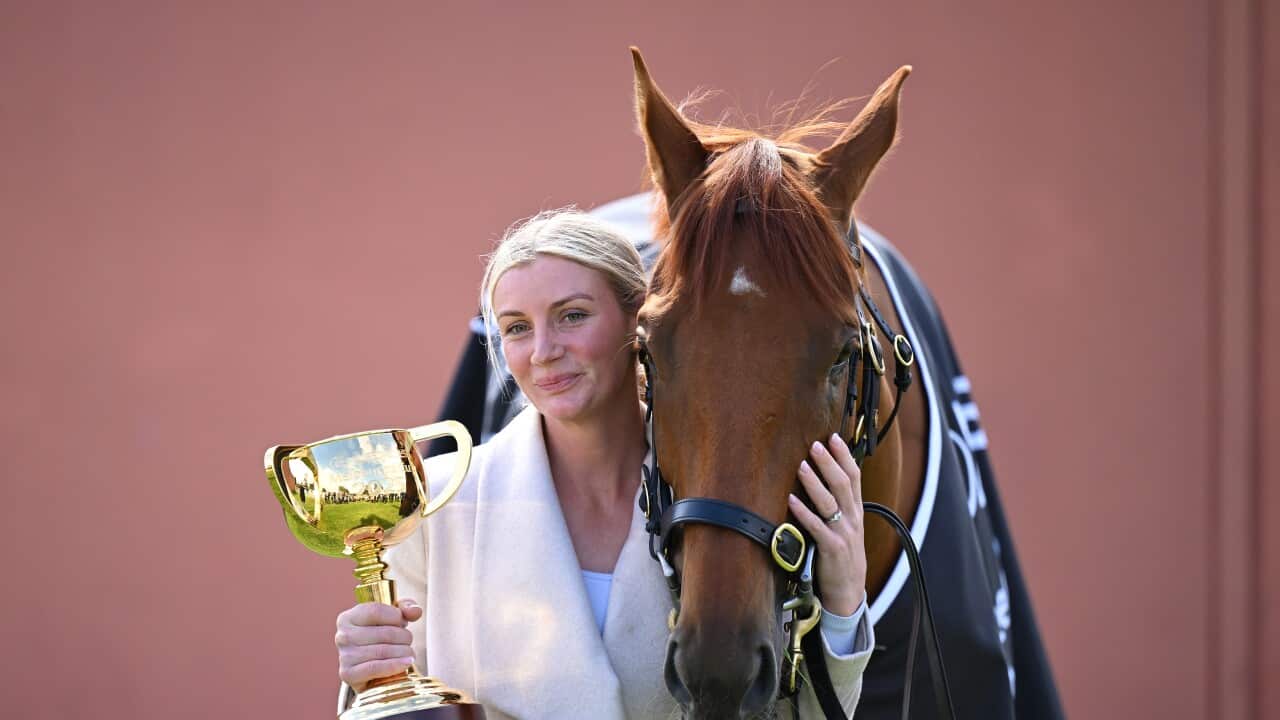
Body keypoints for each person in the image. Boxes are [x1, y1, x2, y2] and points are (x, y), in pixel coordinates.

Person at [333, 209, 875, 720]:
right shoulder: (433, 506)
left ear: (637, 321)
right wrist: (369, 679)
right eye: (517, 327)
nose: (543, 350)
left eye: (572, 316)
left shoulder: (729, 494)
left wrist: (845, 605)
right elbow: (407, 707)